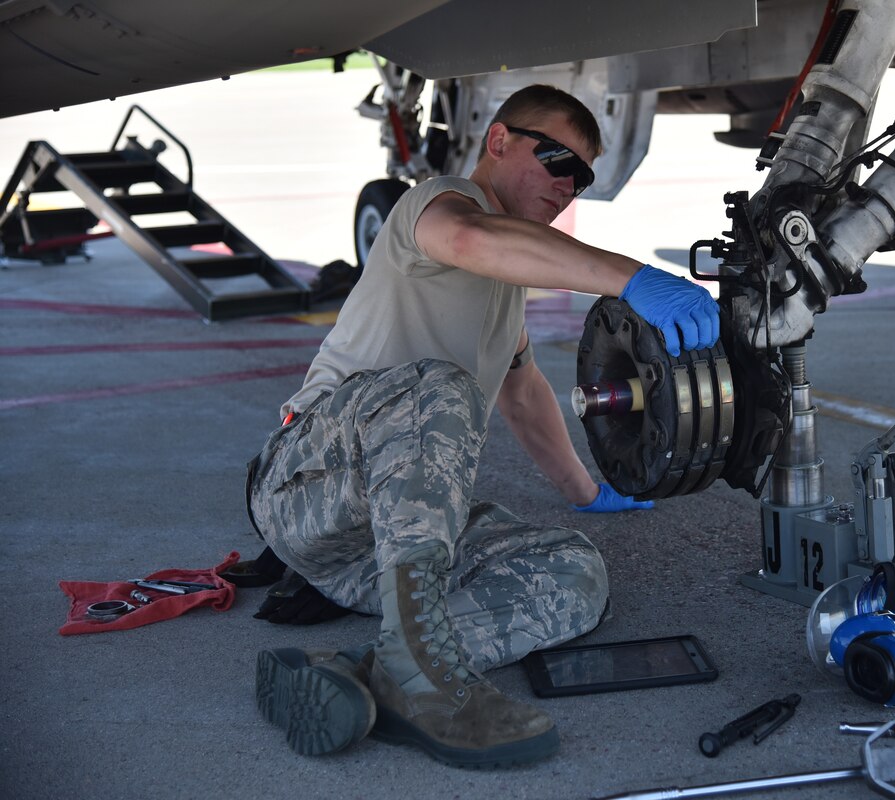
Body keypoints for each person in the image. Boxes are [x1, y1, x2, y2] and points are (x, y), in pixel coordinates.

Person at [246, 84, 720, 767]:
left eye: (583, 176)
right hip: (305, 487)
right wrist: (632, 278)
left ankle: (366, 670)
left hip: (379, 548)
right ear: (499, 142)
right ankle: (422, 680)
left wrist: (587, 492)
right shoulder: (435, 205)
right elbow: (470, 237)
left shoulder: (503, 289)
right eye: (558, 160)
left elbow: (523, 393)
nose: (569, 185)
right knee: (438, 387)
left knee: (576, 572)